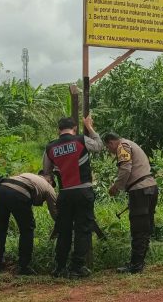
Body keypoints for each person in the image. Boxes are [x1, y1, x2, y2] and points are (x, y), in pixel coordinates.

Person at [43, 115, 104, 278]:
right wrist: (90, 127)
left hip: (64, 194)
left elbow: (47, 172)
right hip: (83, 191)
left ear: (58, 130)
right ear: (75, 128)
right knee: (82, 229)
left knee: (64, 231)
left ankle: (60, 267)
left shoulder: (50, 148)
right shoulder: (81, 140)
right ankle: (77, 267)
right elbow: (99, 146)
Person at [104, 132, 158, 274]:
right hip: (150, 188)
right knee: (145, 228)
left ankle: (135, 265)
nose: (110, 151)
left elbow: (126, 168)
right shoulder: (130, 144)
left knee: (139, 229)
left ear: (110, 142)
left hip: (140, 190)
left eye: (108, 148)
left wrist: (116, 187)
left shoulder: (122, 146)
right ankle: (139, 262)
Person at [0, 173, 57, 275]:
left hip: (0, 189)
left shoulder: (27, 176)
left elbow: (9, 188)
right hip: (19, 194)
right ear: (50, 180)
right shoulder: (48, 187)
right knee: (27, 230)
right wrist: (60, 226)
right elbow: (55, 212)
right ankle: (23, 267)